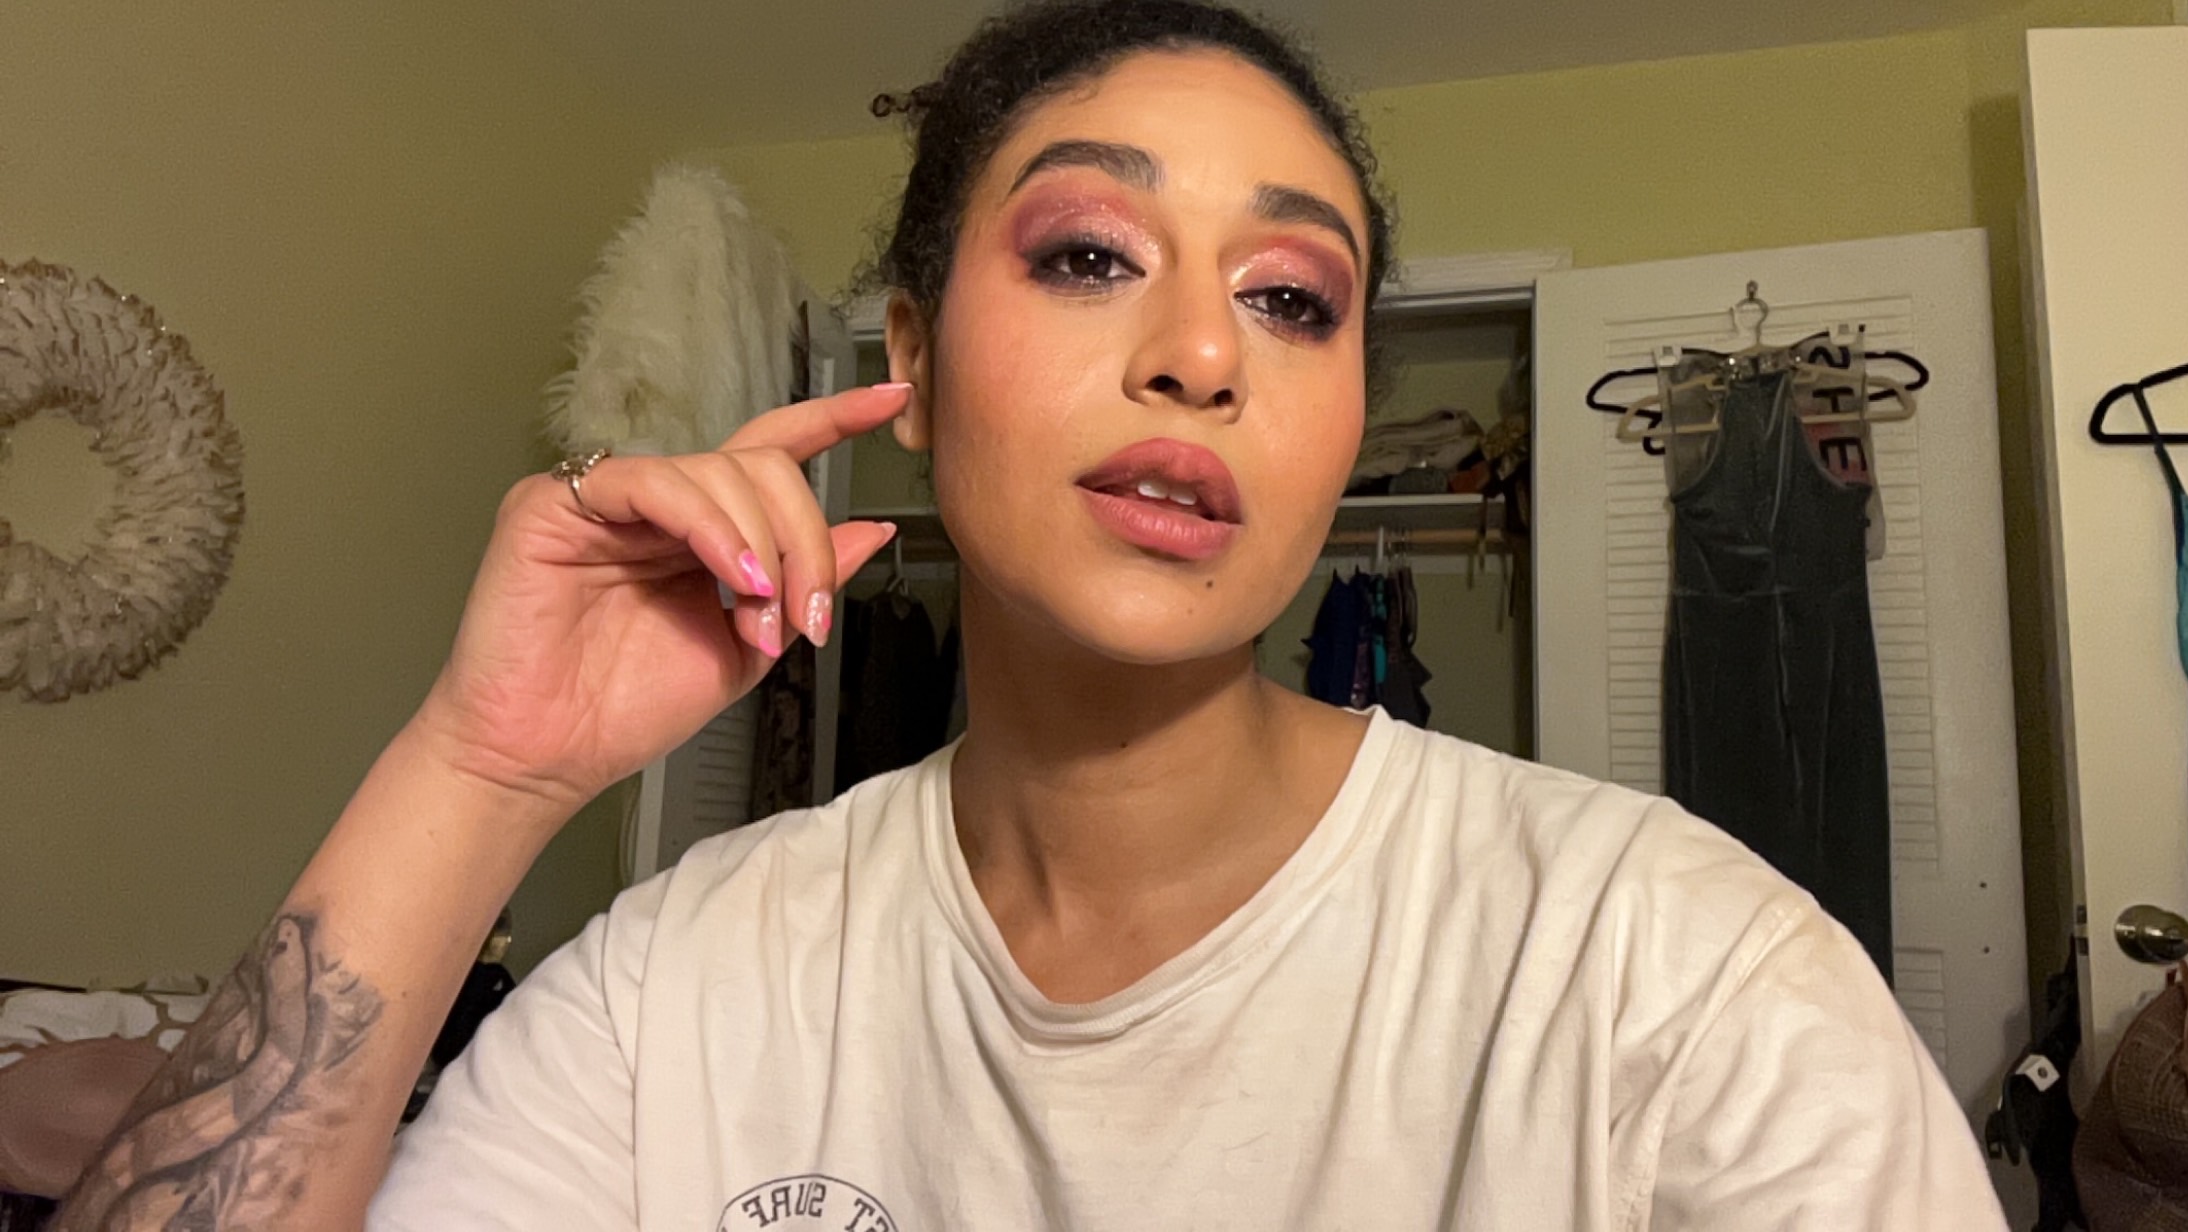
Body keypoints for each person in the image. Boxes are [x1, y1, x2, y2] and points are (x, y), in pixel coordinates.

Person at [54, 1, 2009, 1228]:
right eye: (1088, 255)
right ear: (910, 359)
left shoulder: (1675, 973)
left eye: (1292, 299)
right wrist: (477, 771)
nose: (1200, 354)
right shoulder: (678, 990)